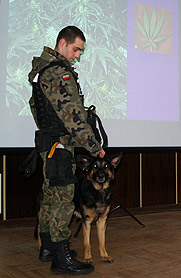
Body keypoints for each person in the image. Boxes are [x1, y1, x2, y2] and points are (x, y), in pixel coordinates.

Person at [28, 26, 105, 275]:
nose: (77, 55)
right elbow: (72, 116)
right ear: (62, 43)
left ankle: (49, 248)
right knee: (62, 200)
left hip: (49, 143)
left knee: (50, 197)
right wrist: (94, 147)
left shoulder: (41, 71)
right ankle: (61, 259)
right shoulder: (59, 73)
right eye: (75, 49)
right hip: (60, 146)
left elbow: (36, 108)